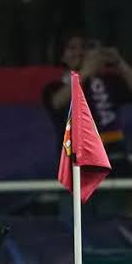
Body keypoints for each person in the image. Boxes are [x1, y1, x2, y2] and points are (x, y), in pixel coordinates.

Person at [43, 32, 132, 177]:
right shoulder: (55, 87)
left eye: (83, 48)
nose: (79, 53)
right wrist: (85, 72)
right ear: (62, 56)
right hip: (80, 168)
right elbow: (57, 102)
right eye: (72, 48)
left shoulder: (108, 81)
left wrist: (120, 63)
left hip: (117, 162)